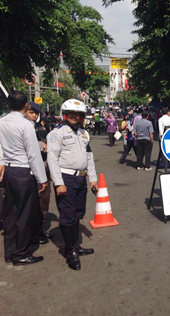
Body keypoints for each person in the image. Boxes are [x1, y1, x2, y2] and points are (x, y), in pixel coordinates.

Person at [0, 91, 48, 265]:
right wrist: (41, 178)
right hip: (23, 173)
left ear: (8, 105)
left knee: (11, 214)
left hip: (10, 172)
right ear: (26, 105)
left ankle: (10, 252)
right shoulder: (26, 124)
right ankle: (21, 253)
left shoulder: (1, 122)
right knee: (24, 215)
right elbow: (33, 154)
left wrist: (0, 163)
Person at [47, 99, 98, 270]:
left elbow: (89, 157)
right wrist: (58, 183)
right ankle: (70, 252)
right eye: (71, 114)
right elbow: (52, 159)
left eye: (79, 115)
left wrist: (93, 178)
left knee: (78, 213)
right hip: (66, 179)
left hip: (81, 179)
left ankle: (75, 245)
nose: (75, 117)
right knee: (67, 215)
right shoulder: (57, 133)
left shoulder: (84, 134)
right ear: (64, 115)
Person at [25, 102, 53, 244]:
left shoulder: (40, 127)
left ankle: (41, 230)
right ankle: (32, 233)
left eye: (36, 113)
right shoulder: (23, 128)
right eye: (31, 112)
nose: (34, 115)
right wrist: (42, 146)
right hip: (29, 172)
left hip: (44, 168)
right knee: (31, 204)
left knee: (44, 201)